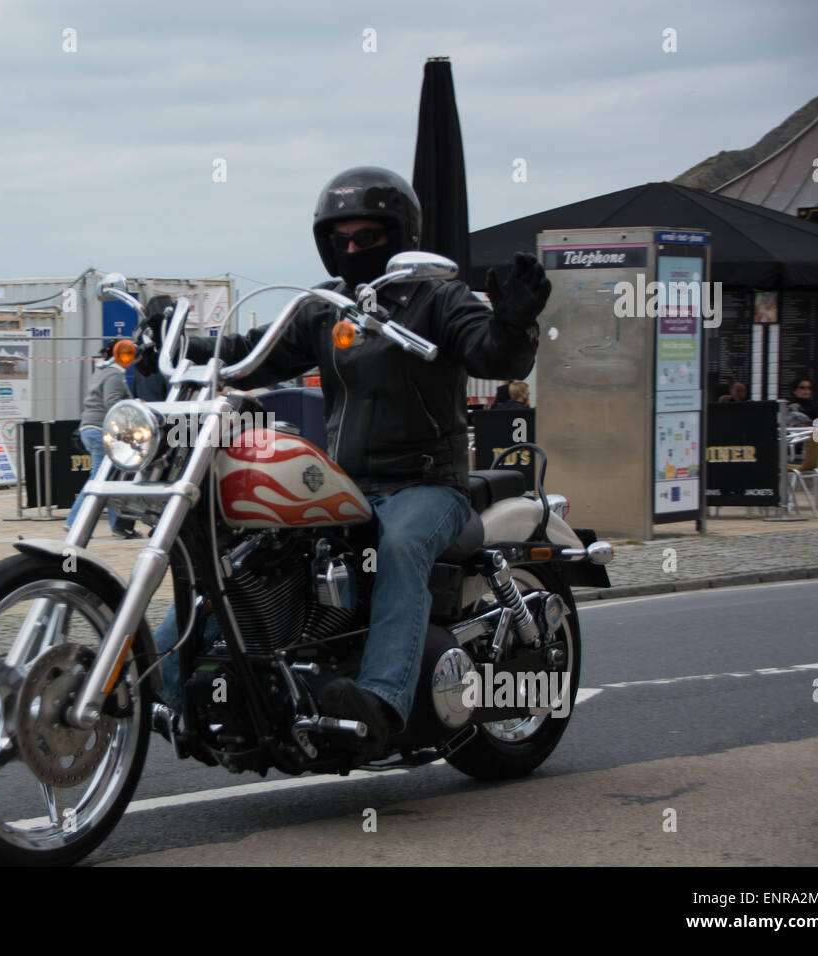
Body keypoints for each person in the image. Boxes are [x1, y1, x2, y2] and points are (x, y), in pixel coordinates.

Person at [144, 166, 547, 755]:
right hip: (346, 486)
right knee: (246, 551)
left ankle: (381, 702)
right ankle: (159, 687)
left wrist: (514, 321)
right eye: (341, 240)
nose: (353, 249)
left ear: (400, 235)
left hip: (427, 486)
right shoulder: (325, 307)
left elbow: (491, 352)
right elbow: (250, 357)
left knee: (403, 543)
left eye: (368, 238)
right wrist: (183, 344)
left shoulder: (438, 296)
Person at [66, 341, 141, 538]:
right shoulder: (115, 374)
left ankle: (119, 525)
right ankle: (75, 521)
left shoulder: (102, 371)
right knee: (99, 480)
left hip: (90, 429)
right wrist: (134, 405)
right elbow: (112, 401)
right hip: (101, 430)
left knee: (111, 479)